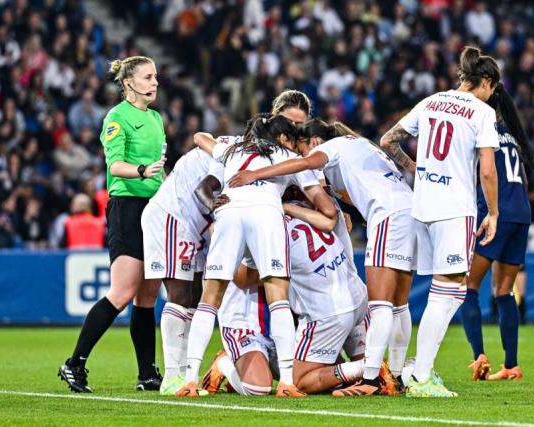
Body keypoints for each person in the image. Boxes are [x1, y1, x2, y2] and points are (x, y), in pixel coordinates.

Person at [229, 120, 416, 397]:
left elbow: (244, 279)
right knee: (398, 304)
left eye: (301, 148)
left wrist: (253, 175)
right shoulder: (350, 163)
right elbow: (332, 214)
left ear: (314, 142)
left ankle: (369, 371)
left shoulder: (272, 219)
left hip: (328, 310)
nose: (301, 156)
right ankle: (394, 373)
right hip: (355, 296)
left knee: (301, 378)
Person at [177, 115, 337, 398]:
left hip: (229, 211)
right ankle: (287, 383)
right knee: (279, 298)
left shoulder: (233, 150)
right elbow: (325, 208)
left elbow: (200, 137)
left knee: (210, 298)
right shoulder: (287, 155)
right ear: (284, 138)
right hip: (265, 214)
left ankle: (189, 380)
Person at [379, 46, 500, 397]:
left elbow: (389, 140)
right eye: (493, 89)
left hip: (423, 206)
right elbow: (488, 170)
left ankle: (415, 368)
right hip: (454, 208)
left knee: (446, 291)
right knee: (449, 292)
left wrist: (412, 166)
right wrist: (492, 213)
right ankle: (421, 375)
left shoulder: (431, 101)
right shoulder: (481, 112)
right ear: (486, 82)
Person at [59, 56, 166, 393]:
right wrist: (141, 170)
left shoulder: (156, 118)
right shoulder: (116, 118)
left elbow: (160, 167)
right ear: (129, 82)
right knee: (122, 292)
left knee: (148, 296)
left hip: (155, 207)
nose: (154, 83)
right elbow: (115, 165)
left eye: (156, 77)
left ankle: (147, 373)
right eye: (148, 77)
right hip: (128, 207)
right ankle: (74, 363)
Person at [461, 84, 534, 381]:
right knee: (504, 292)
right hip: (521, 213)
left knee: (467, 286)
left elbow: (483, 173)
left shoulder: (481, 130)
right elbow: (525, 179)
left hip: (496, 214)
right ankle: (511, 365)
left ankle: (479, 356)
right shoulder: (511, 134)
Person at [141, 144, 223, 394]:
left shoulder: (224, 149)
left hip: (192, 227)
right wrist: (221, 212)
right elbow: (203, 190)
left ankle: (187, 375)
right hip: (173, 217)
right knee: (180, 295)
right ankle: (172, 376)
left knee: (195, 297)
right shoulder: (228, 155)